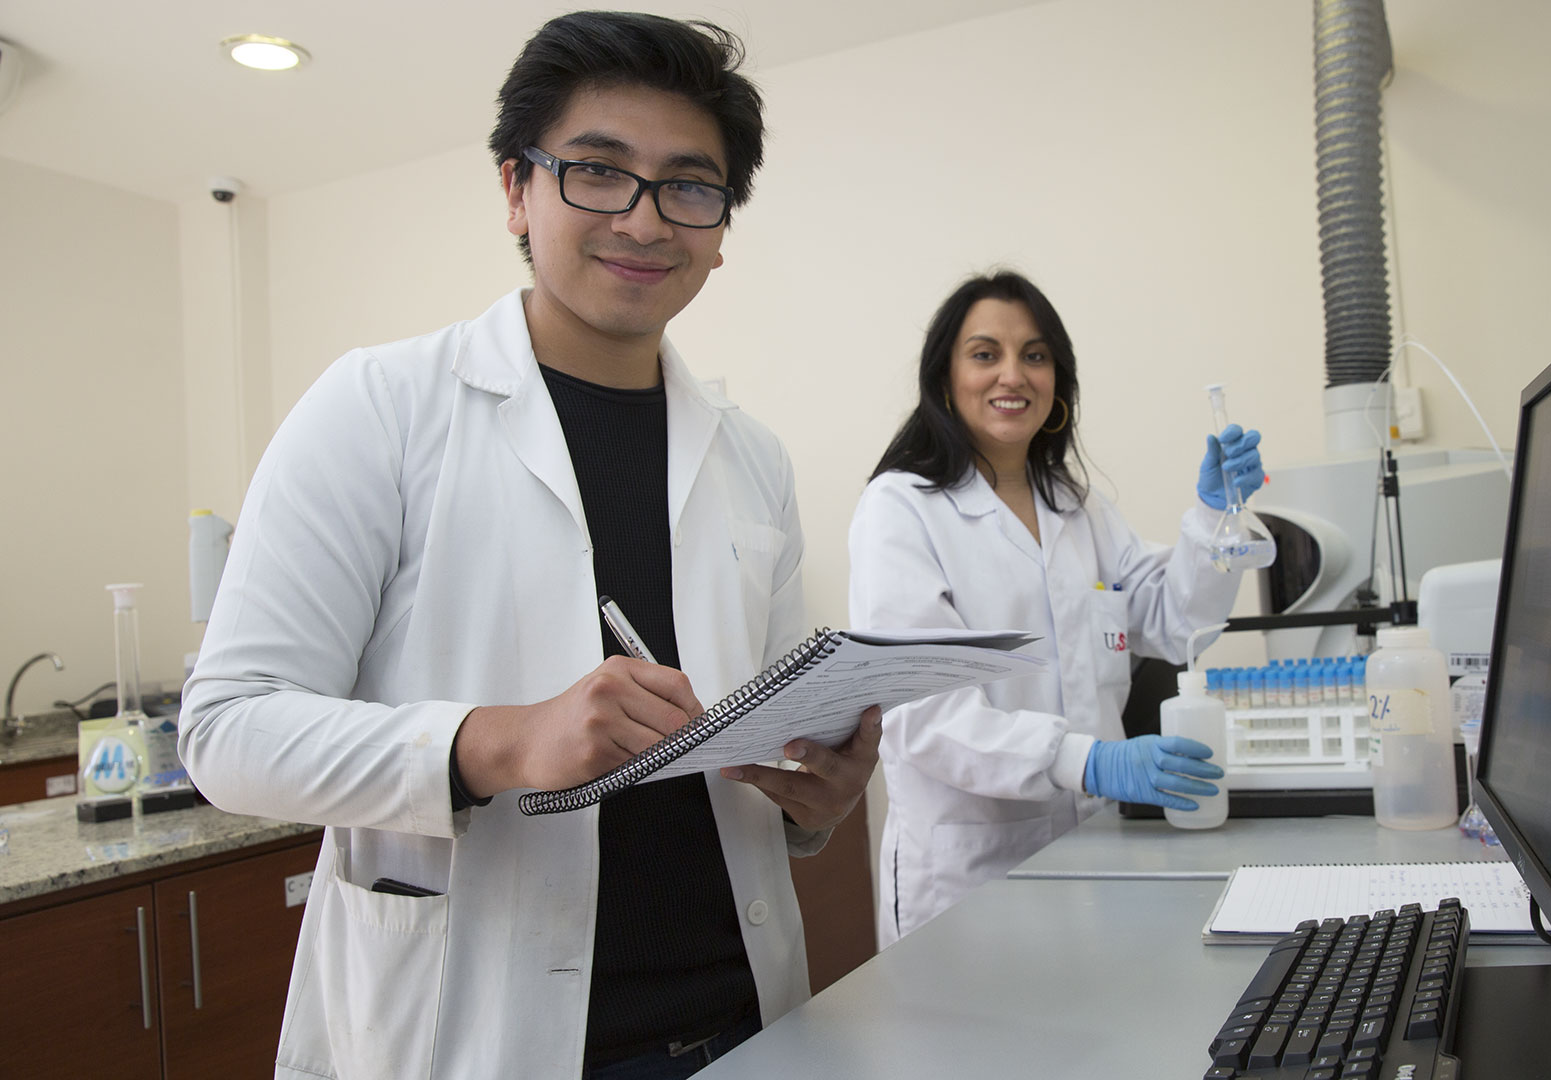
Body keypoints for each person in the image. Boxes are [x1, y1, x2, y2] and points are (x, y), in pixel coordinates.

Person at [180, 13, 878, 1079]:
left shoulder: (753, 459)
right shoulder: (379, 407)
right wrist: (497, 742)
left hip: (743, 1019)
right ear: (517, 188)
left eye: (690, 185)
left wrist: (811, 802)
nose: (645, 219)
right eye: (598, 171)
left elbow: (752, 752)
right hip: (472, 1034)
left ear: (723, 225)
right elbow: (227, 732)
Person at [847, 271, 1267, 945]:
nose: (1013, 374)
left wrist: (1216, 515)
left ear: (1058, 381)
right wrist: (1087, 761)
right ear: (946, 378)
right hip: (966, 880)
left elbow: (1175, 622)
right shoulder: (901, 508)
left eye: (1035, 355)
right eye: (985, 354)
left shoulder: (1079, 508)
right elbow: (918, 716)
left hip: (1094, 853)